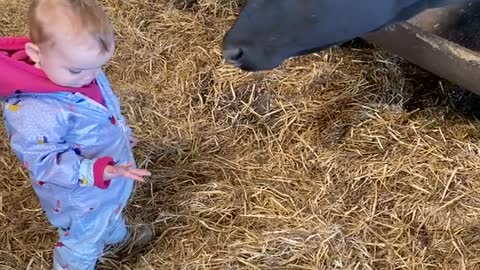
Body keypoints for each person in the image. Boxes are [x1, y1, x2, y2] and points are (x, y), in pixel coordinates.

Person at [0, 0, 153, 268]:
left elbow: (107, 104)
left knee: (108, 212)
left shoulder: (78, 70)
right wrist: (96, 171)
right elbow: (44, 164)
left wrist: (121, 132)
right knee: (81, 242)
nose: (91, 77)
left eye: (100, 66)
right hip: (80, 195)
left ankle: (117, 238)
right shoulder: (36, 109)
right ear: (35, 53)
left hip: (107, 179)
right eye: (78, 70)